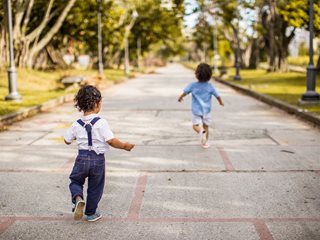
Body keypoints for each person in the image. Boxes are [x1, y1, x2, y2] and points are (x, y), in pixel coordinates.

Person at [64, 85, 134, 222]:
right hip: (98, 160)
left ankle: (78, 197)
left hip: (81, 158)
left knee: (75, 181)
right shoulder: (101, 122)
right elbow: (111, 141)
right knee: (95, 187)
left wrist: (74, 137)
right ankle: (90, 213)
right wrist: (125, 146)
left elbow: (66, 140)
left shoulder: (76, 124)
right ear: (97, 104)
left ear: (80, 105)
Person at [178, 63, 224, 148]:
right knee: (206, 126)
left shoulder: (192, 85)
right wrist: (220, 102)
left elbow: (185, 92)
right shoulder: (210, 86)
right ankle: (205, 143)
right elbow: (217, 96)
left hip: (196, 111)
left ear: (196, 74)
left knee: (195, 126)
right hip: (206, 111)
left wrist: (180, 97)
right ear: (210, 75)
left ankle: (201, 131)